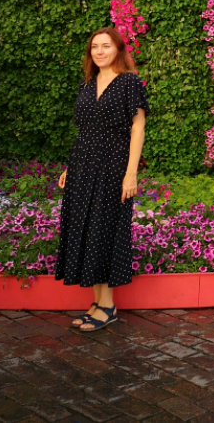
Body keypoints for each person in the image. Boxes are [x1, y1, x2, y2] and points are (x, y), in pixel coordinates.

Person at [56, 27, 149, 331]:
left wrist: (131, 173)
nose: (99, 51)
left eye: (105, 46)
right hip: (83, 167)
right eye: (94, 47)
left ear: (118, 50)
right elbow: (85, 131)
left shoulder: (129, 83)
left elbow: (137, 129)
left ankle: (107, 306)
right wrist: (71, 169)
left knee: (103, 231)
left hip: (112, 169)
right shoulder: (87, 84)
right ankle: (97, 302)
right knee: (85, 230)